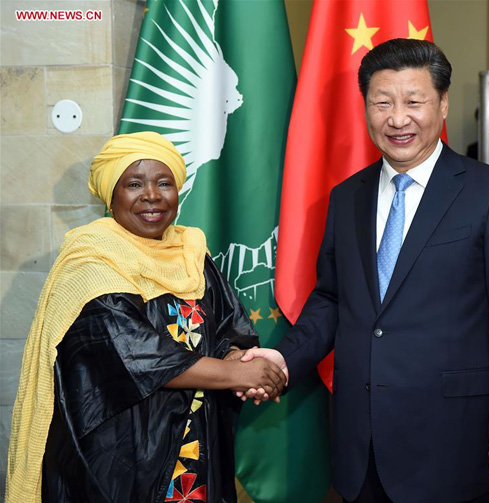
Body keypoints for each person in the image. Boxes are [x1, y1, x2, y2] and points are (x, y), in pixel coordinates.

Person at [242, 39, 489, 503]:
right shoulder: (348, 197)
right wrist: (284, 359)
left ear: (442, 105)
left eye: (413, 102)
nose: (397, 118)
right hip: (359, 444)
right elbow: (332, 298)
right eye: (381, 103)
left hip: (453, 443)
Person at [5, 132, 286, 503]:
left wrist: (237, 355)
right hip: (120, 463)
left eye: (164, 183)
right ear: (111, 196)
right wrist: (240, 373)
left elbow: (229, 325)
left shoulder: (190, 253)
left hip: (197, 452)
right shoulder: (90, 264)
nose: (152, 195)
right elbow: (140, 356)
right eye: (134, 184)